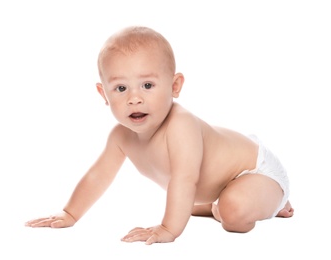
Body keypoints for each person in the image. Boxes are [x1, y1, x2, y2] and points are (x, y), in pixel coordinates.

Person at [25, 26, 294, 245]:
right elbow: (98, 176)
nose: (134, 98)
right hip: (217, 187)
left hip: (255, 171)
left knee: (232, 213)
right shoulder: (121, 137)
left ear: (174, 86)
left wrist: (168, 228)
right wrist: (70, 213)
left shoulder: (181, 125)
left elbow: (185, 179)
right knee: (184, 203)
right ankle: (218, 206)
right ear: (103, 94)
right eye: (120, 88)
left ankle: (276, 200)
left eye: (148, 85)